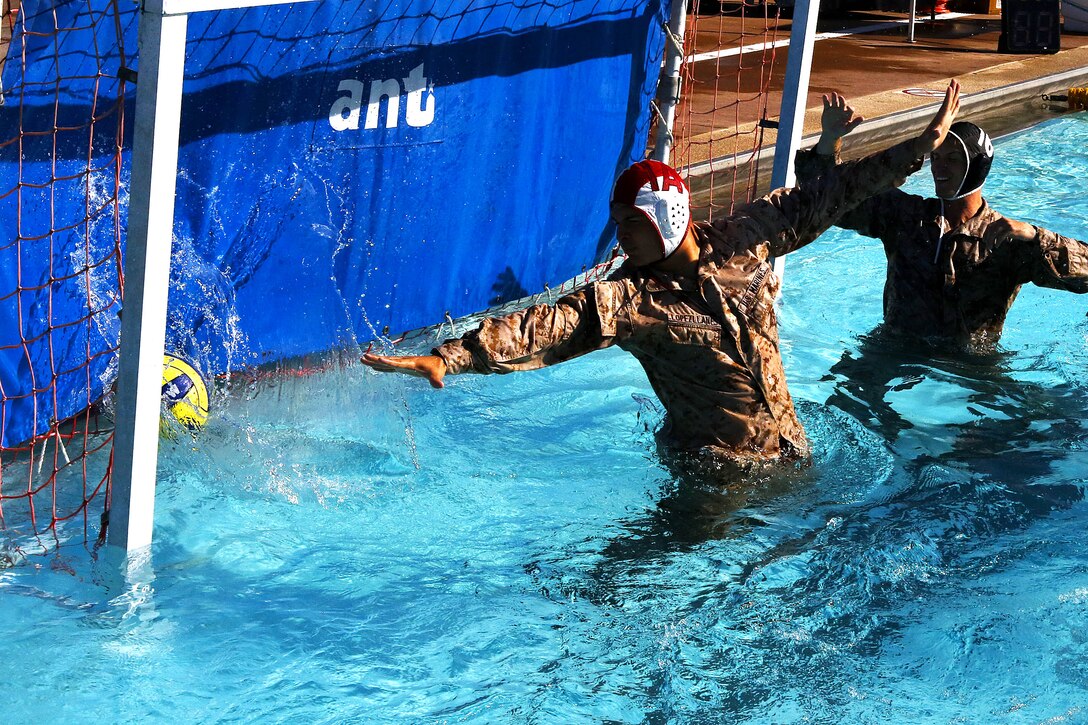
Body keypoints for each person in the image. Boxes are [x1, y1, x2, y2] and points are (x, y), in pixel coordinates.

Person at [359, 82, 962, 462]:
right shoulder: (629, 299)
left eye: (628, 222)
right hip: (713, 479)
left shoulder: (746, 239)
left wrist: (922, 143)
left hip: (790, 454)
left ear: (666, 216)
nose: (618, 235)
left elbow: (826, 197)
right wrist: (453, 355)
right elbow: (549, 323)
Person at [795, 92, 1088, 349]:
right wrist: (828, 142)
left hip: (970, 369)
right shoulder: (906, 217)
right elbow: (827, 199)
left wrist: (1037, 236)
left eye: (952, 159)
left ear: (977, 166)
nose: (939, 168)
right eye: (936, 158)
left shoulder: (1007, 239)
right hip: (893, 350)